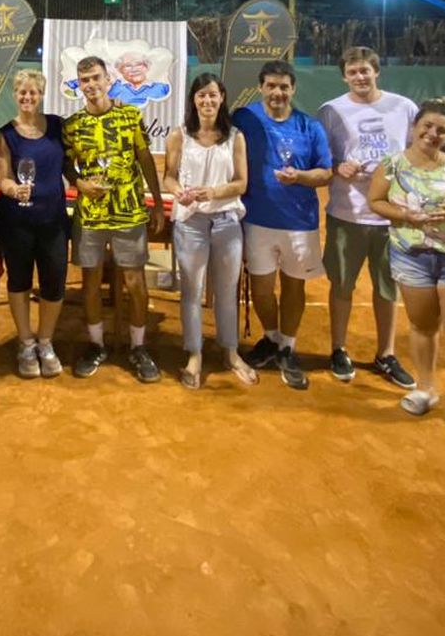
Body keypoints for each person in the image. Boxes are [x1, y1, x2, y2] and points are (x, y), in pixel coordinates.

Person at [368, 97, 445, 433]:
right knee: (422, 327)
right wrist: (404, 215)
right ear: (414, 127)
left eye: (441, 130)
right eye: (427, 126)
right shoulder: (392, 164)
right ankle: (426, 388)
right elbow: (376, 201)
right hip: (411, 256)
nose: (433, 134)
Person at [316, 46, 417, 389]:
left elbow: (420, 153)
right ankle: (338, 349)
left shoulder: (404, 108)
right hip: (346, 215)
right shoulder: (331, 111)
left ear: (377, 72)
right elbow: (321, 160)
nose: (360, 77)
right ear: (344, 76)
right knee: (341, 286)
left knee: (387, 290)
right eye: (353, 71)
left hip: (392, 217)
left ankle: (385, 354)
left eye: (365, 71)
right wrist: (336, 166)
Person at [62, 56, 166, 383]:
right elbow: (66, 166)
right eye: (84, 80)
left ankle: (138, 347)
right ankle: (96, 345)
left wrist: (159, 204)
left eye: (96, 78)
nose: (91, 85)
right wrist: (79, 183)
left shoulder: (130, 116)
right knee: (91, 283)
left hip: (130, 213)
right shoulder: (73, 125)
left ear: (108, 81)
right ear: (79, 85)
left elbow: (145, 159)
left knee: (135, 282)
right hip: (90, 217)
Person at [235, 60, 333, 390]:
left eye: (284, 86)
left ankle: (288, 347)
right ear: (261, 87)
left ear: (293, 89)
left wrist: (301, 177)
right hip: (256, 220)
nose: (278, 92)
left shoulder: (310, 127)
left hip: (299, 224)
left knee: (294, 287)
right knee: (261, 288)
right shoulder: (244, 119)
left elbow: (326, 172)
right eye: (271, 86)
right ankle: (271, 337)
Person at [162, 72, 254, 389]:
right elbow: (169, 178)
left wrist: (214, 192)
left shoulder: (235, 137)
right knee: (191, 291)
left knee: (226, 291)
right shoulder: (178, 136)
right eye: (201, 95)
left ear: (222, 98)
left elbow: (242, 182)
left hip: (227, 221)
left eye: (213, 94)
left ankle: (230, 352)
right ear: (193, 100)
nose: (207, 100)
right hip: (191, 223)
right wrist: (180, 193)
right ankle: (195, 354)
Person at [0, 69, 68, 379]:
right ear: (15, 95)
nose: (27, 97)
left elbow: (70, 166)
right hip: (17, 223)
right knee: (19, 281)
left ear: (41, 95)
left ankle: (46, 341)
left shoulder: (57, 127)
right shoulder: (5, 133)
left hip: (54, 222)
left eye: (33, 93)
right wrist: (13, 189)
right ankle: (25, 342)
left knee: (54, 283)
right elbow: (4, 178)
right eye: (22, 92)